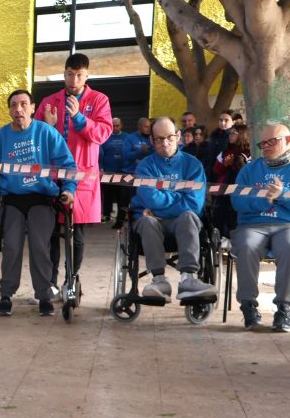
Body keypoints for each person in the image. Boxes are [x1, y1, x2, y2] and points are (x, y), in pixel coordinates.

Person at [0, 89, 76, 317]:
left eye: (23, 104)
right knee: (11, 247)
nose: (18, 109)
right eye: (14, 105)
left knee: (39, 246)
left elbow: (67, 164)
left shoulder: (46, 132)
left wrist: (69, 189)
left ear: (33, 108)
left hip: (41, 198)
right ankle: (6, 295)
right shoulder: (1, 137)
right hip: (12, 199)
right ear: (9, 111)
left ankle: (44, 295)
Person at [35, 52, 114, 299]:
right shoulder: (50, 101)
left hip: (82, 177)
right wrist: (48, 127)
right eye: (70, 74)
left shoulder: (99, 100)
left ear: (87, 76)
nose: (74, 80)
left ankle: (72, 279)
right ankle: (50, 282)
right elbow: (34, 137)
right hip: (52, 176)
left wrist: (79, 118)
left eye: (79, 75)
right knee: (50, 233)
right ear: (64, 74)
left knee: (76, 234)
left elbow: (103, 134)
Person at [129, 116, 216, 302]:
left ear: (178, 136)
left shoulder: (193, 165)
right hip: (152, 223)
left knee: (189, 216)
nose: (165, 142)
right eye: (159, 139)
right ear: (152, 140)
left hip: (180, 222)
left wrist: (159, 206)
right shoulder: (145, 167)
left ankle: (188, 279)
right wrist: (179, 196)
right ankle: (159, 281)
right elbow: (150, 198)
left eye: (169, 137)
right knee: (147, 221)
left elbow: (194, 204)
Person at [229, 122, 290, 331]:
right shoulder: (249, 170)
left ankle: (285, 308)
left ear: (288, 141)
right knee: (246, 246)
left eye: (271, 142)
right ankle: (248, 306)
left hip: (286, 225)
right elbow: (237, 202)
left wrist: (282, 195)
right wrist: (265, 200)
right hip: (252, 225)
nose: (265, 147)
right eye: (262, 143)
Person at [99, 117, 126, 222]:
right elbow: (100, 154)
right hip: (108, 172)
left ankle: (120, 218)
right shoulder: (105, 137)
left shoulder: (127, 137)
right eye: (113, 126)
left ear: (121, 125)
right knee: (107, 196)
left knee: (121, 197)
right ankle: (106, 216)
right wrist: (101, 168)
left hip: (122, 172)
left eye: (117, 125)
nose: (115, 128)